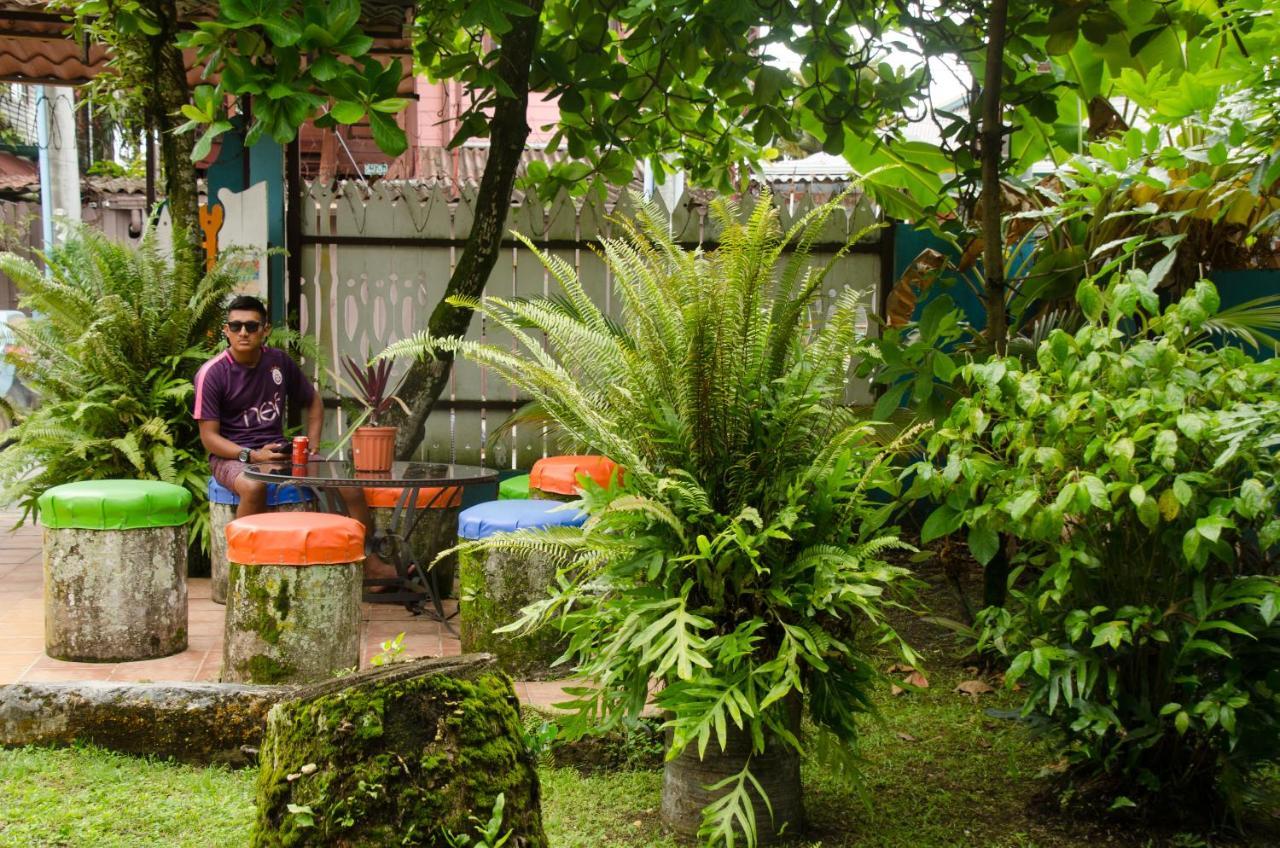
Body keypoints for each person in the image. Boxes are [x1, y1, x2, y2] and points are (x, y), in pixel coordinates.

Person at [193, 294, 397, 582]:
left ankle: (369, 565)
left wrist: (311, 446)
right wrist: (251, 455)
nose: (243, 333)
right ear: (226, 330)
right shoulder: (212, 374)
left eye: (251, 327)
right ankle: (245, 575)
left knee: (349, 485)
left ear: (265, 330)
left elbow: (312, 401)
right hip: (232, 456)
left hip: (279, 453)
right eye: (235, 326)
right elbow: (209, 439)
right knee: (254, 487)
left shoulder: (277, 362)